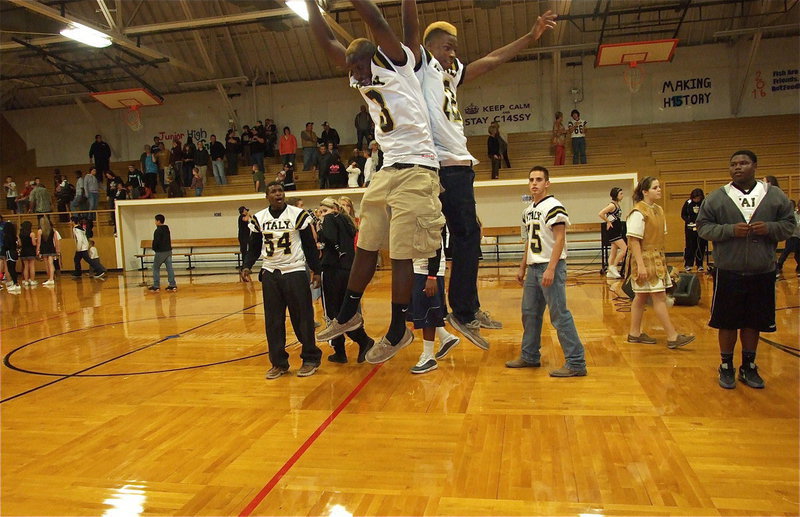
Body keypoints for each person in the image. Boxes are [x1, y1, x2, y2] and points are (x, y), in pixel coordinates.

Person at [400, 2, 556, 349]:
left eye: (455, 46)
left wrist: (530, 37)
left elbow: (492, 59)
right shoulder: (422, 66)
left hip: (460, 167)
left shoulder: (450, 73)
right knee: (460, 237)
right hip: (443, 166)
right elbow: (411, 33)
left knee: (468, 236)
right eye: (447, 45)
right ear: (431, 47)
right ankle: (460, 312)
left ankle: (464, 309)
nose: (453, 50)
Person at [308, 0, 446, 364]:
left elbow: (376, 19)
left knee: (401, 254)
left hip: (418, 168)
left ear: (375, 59)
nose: (356, 76)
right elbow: (324, 41)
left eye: (359, 68)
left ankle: (398, 330)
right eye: (351, 69)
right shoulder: (357, 71)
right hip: (387, 170)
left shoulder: (397, 65)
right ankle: (348, 312)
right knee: (365, 243)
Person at [697, 150, 794, 389]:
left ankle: (749, 365)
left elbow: (789, 225)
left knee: (753, 321)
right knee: (727, 321)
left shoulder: (773, 195)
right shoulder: (718, 197)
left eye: (743, 163)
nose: (737, 167)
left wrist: (769, 228)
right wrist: (729, 231)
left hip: (762, 270)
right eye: (733, 164)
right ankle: (726, 365)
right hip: (728, 269)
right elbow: (703, 227)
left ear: (755, 166)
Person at [504, 166, 587, 377]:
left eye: (539, 179)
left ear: (547, 183)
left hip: (550, 266)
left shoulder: (554, 206)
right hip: (533, 267)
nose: (534, 183)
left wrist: (551, 268)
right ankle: (530, 355)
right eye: (531, 179)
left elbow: (560, 238)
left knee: (559, 314)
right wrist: (523, 266)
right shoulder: (528, 210)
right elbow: (529, 242)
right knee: (529, 313)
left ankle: (576, 362)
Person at [240, 182, 323, 379]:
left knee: (302, 318)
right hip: (270, 273)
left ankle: (310, 358)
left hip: (294, 270)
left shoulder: (297, 214)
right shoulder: (259, 218)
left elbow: (309, 245)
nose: (278, 194)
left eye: (280, 191)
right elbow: (253, 246)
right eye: (273, 192)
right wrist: (247, 265)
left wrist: (316, 270)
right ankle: (278, 363)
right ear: (267, 196)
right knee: (273, 321)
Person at [625, 176, 694, 349]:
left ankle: (634, 333)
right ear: (645, 191)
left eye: (659, 187)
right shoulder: (638, 212)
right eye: (655, 187)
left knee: (640, 297)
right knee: (659, 297)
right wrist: (640, 265)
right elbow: (633, 241)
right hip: (645, 260)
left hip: (657, 258)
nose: (659, 190)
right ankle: (672, 336)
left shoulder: (658, 210)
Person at [317, 197, 375, 363]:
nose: (322, 214)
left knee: (333, 314)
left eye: (324, 211)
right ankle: (348, 348)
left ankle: (357, 343)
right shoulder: (348, 222)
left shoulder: (330, 219)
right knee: (346, 311)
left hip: (333, 270)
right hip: (349, 270)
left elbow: (328, 237)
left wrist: (320, 230)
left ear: (333, 209)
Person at [407, 236, 460, 374]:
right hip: (418, 267)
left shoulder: (427, 216)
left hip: (426, 269)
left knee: (427, 313)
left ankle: (429, 356)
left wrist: (432, 276)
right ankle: (445, 337)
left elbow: (435, 243)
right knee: (419, 311)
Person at [598, 187, 627, 279]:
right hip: (613, 230)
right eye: (621, 194)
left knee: (614, 251)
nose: (622, 195)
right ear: (616, 195)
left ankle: (610, 272)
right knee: (624, 249)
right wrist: (608, 221)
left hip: (617, 229)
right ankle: (613, 266)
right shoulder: (612, 205)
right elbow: (601, 213)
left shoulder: (617, 205)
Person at [149, 214, 177, 293]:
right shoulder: (166, 229)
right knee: (169, 268)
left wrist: (154, 249)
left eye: (155, 220)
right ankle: (172, 284)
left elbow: (156, 242)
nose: (155, 222)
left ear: (158, 221)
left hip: (161, 252)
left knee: (155, 268)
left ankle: (156, 285)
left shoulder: (158, 230)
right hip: (168, 251)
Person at [681, 188, 707, 272]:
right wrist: (689, 221)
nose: (696, 200)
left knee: (701, 245)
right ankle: (688, 264)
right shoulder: (688, 203)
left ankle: (700, 264)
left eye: (698, 198)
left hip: (701, 228)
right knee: (690, 246)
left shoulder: (704, 203)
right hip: (690, 228)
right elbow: (683, 214)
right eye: (695, 198)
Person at [776, 199, 800, 278]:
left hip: (799, 237)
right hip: (792, 236)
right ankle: (779, 265)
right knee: (787, 250)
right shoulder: (794, 214)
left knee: (797, 254)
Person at [36, 216, 59, 286]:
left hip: (44, 249)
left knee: (46, 264)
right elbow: (56, 240)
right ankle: (52, 279)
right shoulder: (53, 230)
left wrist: (37, 250)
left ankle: (49, 278)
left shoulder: (40, 231)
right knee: (51, 263)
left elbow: (39, 242)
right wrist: (57, 249)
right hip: (51, 248)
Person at [3, 221, 21, 293]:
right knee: (12, 269)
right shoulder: (15, 236)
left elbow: (6, 246)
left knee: (11, 269)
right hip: (14, 252)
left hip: (9, 253)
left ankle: (16, 283)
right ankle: (15, 283)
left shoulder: (7, 236)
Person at [19, 220, 37, 287]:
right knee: (32, 266)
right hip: (31, 251)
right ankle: (32, 280)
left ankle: (26, 281)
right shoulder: (32, 234)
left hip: (23, 251)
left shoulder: (20, 234)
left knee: (25, 266)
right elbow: (34, 243)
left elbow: (20, 244)